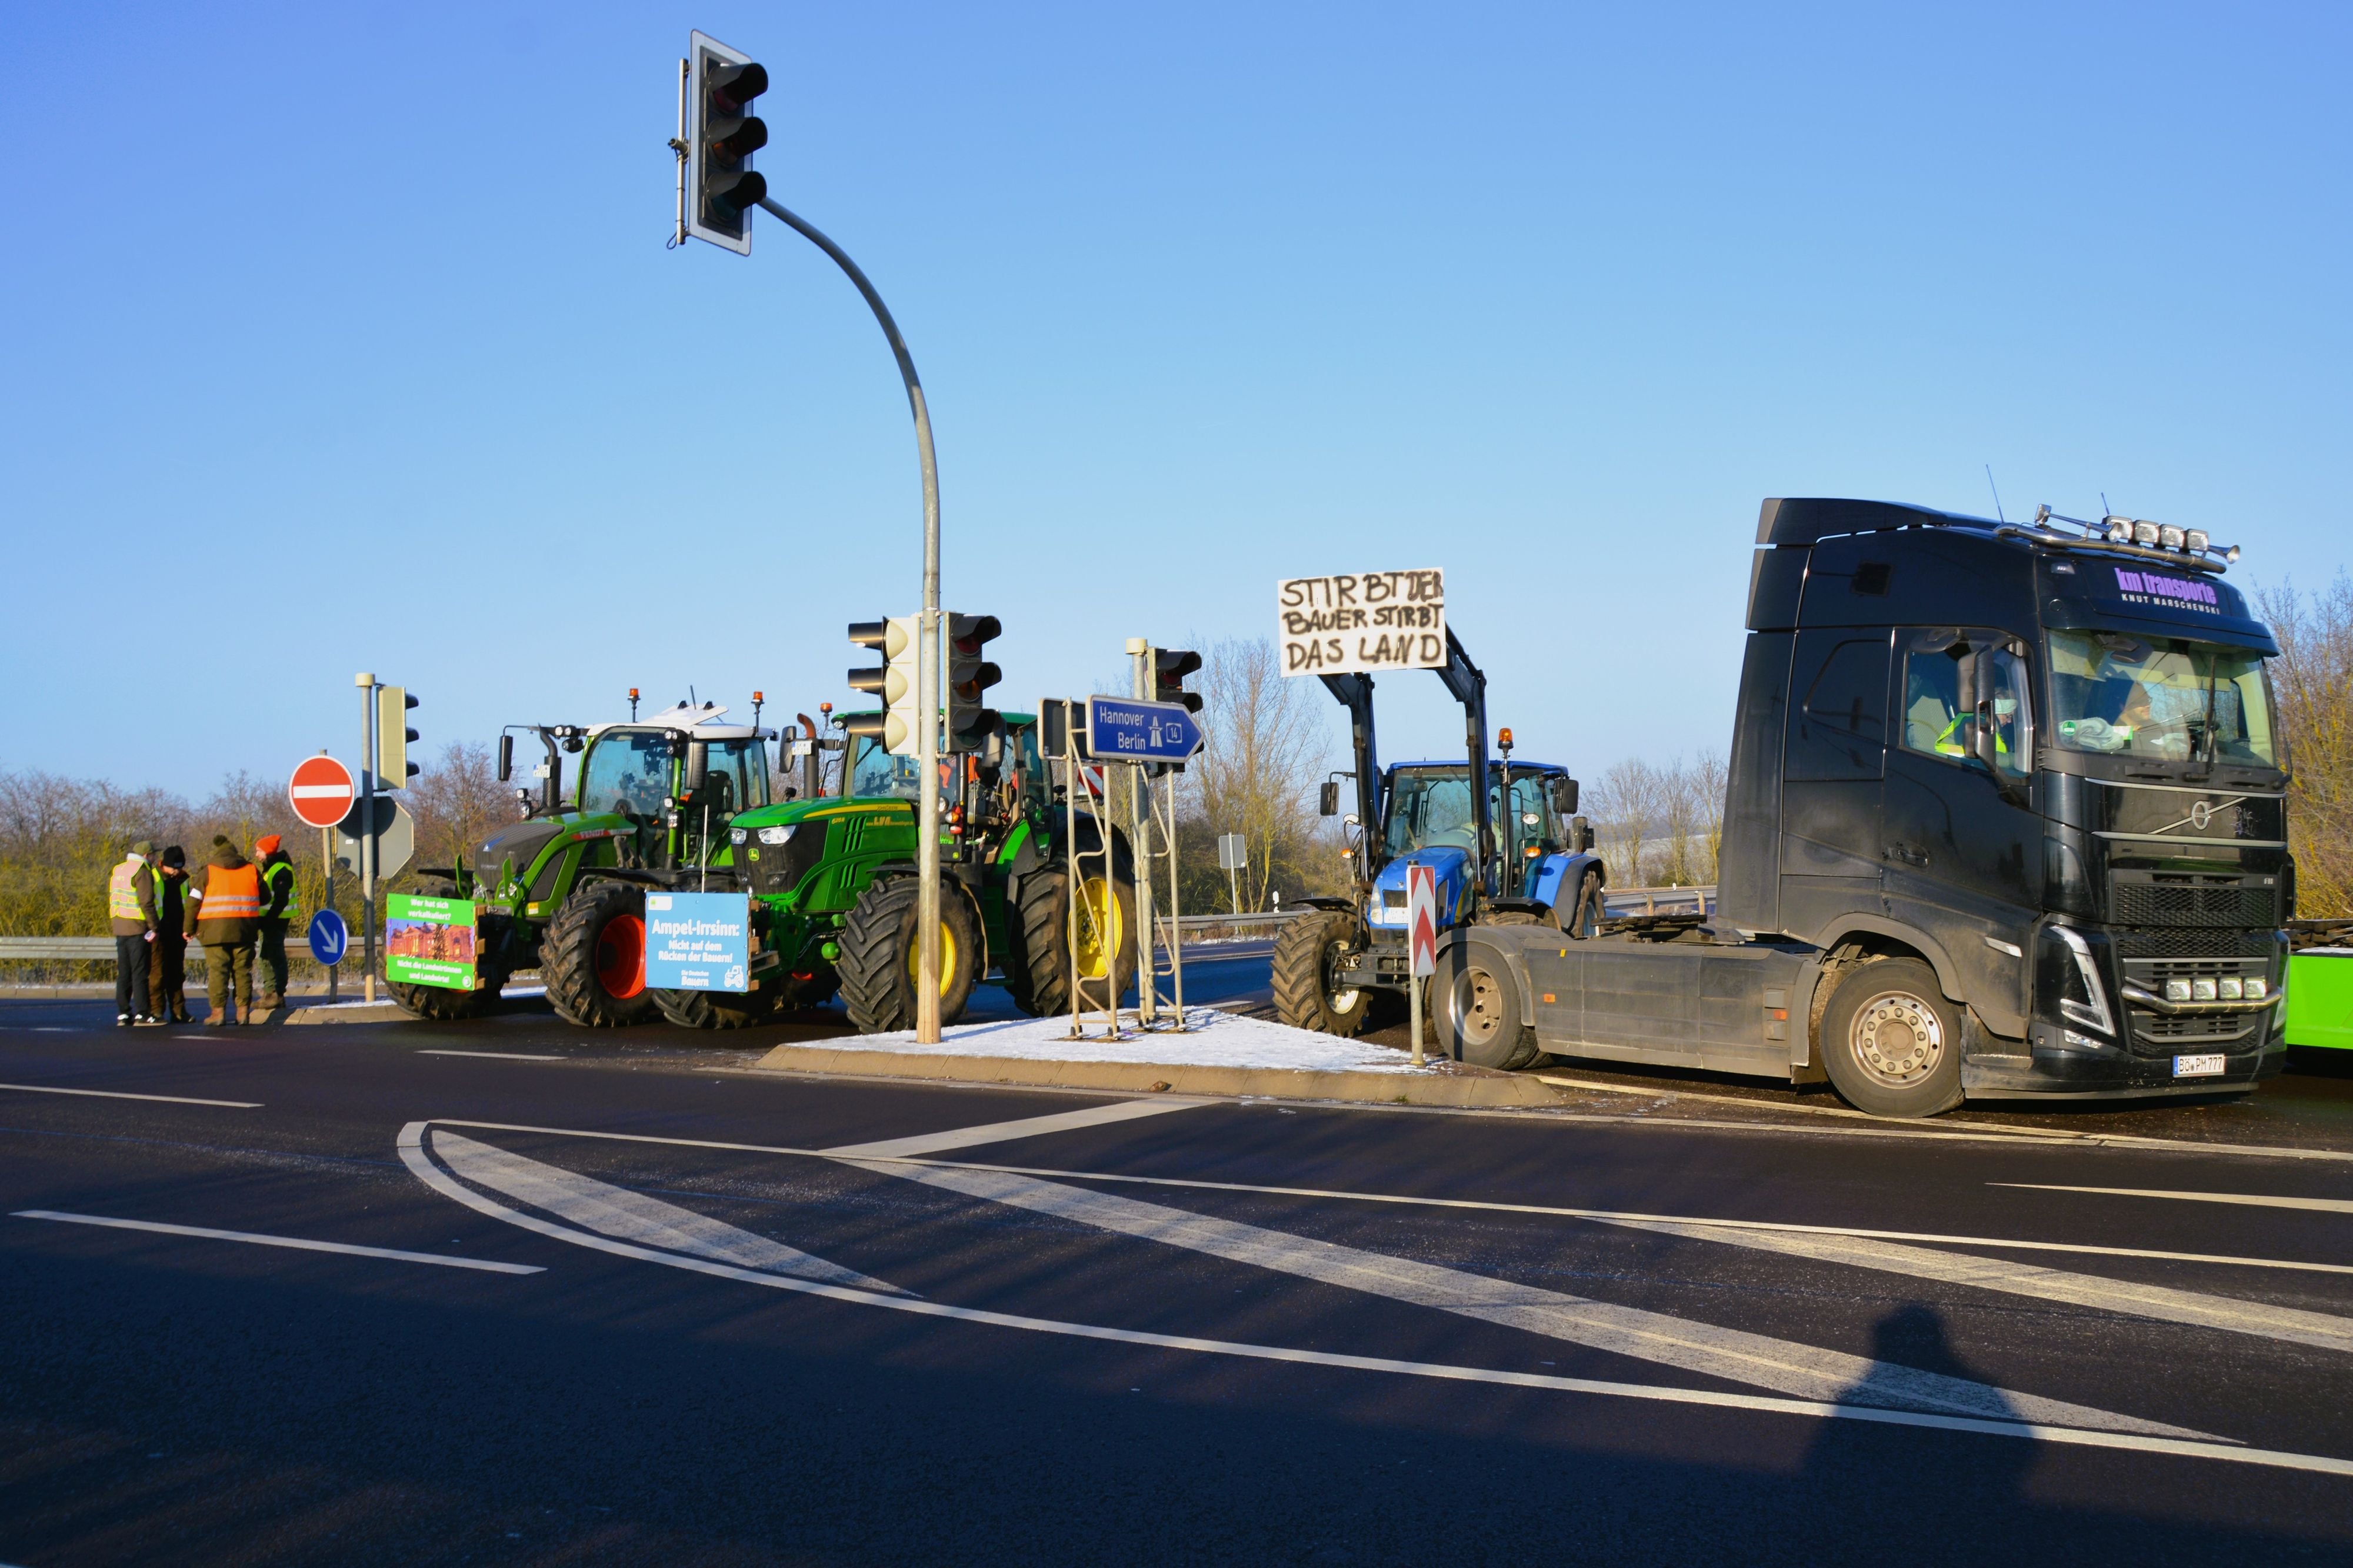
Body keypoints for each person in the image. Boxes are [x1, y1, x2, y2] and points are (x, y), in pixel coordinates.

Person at [186, 835, 262, 1026]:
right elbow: (267, 896)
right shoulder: (251, 869)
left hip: (214, 933)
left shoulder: (208, 871)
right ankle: (243, 1013)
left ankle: (218, 1014)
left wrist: (188, 928)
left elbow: (193, 902)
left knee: (218, 972)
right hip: (244, 930)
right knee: (243, 971)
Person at [108, 841, 160, 1026]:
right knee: (140, 972)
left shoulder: (119, 869)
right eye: (154, 855)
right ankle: (143, 1014)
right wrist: (154, 927)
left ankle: (123, 1013)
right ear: (147, 855)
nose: (155, 858)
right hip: (137, 927)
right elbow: (146, 902)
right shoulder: (142, 871)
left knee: (124, 972)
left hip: (119, 926)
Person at [147, 845, 193, 1023]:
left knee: (177, 974)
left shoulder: (185, 880)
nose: (177, 871)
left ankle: (179, 1011)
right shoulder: (153, 877)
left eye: (179, 867)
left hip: (178, 933)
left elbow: (190, 905)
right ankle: (156, 1011)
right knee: (157, 974)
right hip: (158, 933)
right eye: (174, 868)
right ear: (164, 865)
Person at [254, 833, 298, 1013]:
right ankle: (272, 994)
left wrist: (268, 919)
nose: (257, 854)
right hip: (272, 920)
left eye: (259, 851)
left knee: (273, 957)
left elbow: (280, 900)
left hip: (275, 921)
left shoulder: (280, 870)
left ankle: (275, 994)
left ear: (268, 851)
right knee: (268, 956)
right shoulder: (273, 869)